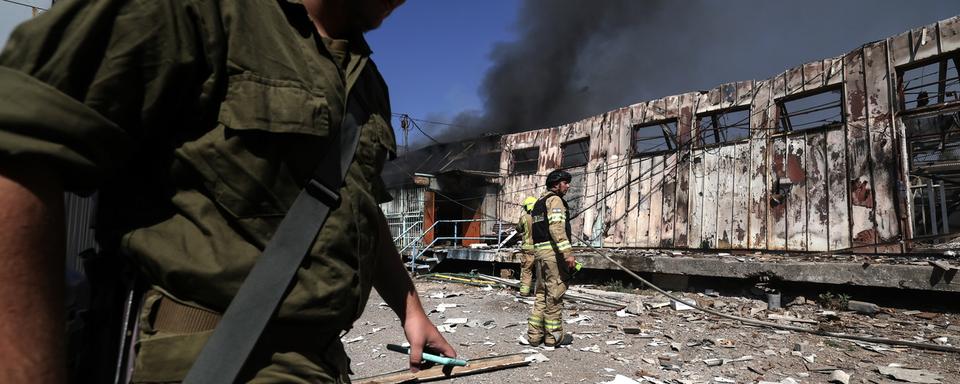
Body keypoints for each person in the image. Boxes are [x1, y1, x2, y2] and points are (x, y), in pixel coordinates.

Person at [0, 0, 455, 382]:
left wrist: (412, 310)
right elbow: (20, 151)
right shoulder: (203, 11)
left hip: (320, 362)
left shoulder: (367, 83)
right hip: (202, 357)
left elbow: (358, 209)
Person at [526, 170, 576, 348]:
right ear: (556, 184)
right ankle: (553, 337)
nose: (568, 186)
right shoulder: (554, 200)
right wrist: (567, 253)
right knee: (555, 295)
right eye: (565, 183)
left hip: (539, 254)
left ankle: (534, 336)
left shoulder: (538, 203)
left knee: (541, 294)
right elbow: (556, 228)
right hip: (553, 255)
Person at [516, 196, 537, 296]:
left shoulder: (524, 218)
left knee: (526, 270)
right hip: (540, 249)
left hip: (527, 249)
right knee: (541, 272)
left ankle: (524, 292)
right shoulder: (541, 217)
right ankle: (540, 293)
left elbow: (518, 229)